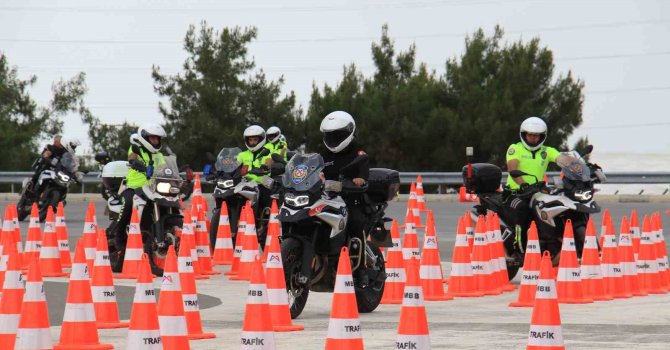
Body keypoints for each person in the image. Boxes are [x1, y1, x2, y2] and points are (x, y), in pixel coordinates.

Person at [505, 116, 561, 256]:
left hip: (536, 194)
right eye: (530, 135)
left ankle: (552, 246)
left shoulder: (547, 151)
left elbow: (562, 159)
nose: (533, 138)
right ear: (524, 134)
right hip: (515, 193)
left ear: (542, 136)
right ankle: (519, 247)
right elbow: (512, 168)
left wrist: (579, 164)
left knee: (555, 207)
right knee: (521, 209)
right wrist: (523, 184)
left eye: (537, 136)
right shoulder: (515, 148)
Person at [109, 123, 167, 258]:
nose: (155, 141)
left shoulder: (159, 155)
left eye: (157, 139)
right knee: (128, 203)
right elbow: (132, 158)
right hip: (133, 187)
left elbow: (164, 168)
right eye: (153, 138)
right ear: (145, 138)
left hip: (151, 189)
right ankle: (118, 237)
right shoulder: (137, 149)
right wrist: (136, 163)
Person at [319, 111, 369, 245]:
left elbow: (363, 171)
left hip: (351, 198)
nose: (333, 138)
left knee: (355, 225)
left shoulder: (358, 153)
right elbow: (315, 169)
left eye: (337, 135)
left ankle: (360, 258)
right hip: (327, 197)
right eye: (330, 135)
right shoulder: (324, 155)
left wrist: (360, 179)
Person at [238, 125, 273, 242]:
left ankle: (262, 223)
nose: (252, 142)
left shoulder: (267, 154)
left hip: (261, 183)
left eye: (255, 140)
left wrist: (266, 167)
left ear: (260, 140)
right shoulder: (242, 155)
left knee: (266, 195)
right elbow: (233, 165)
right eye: (250, 140)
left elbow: (269, 164)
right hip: (245, 183)